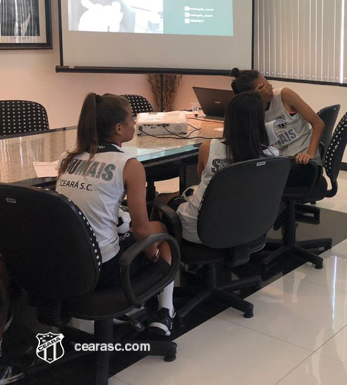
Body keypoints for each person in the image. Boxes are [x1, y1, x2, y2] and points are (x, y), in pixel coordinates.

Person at [54, 93, 176, 336]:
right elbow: (141, 231)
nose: (134, 123)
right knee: (159, 230)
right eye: (131, 118)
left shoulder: (68, 159)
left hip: (67, 266)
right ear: (119, 128)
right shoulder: (129, 165)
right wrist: (151, 254)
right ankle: (165, 311)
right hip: (104, 270)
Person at [159, 91, 279, 245]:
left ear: (228, 119)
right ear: (261, 120)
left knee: (162, 199)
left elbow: (201, 179)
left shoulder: (208, 149)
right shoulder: (273, 157)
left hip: (201, 230)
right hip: (249, 228)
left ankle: (165, 257)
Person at [231, 68, 324, 164]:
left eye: (267, 82)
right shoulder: (249, 112)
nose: (269, 88)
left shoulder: (284, 95)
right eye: (263, 87)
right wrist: (260, 101)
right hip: (279, 161)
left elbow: (318, 123)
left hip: (303, 155)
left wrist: (310, 154)